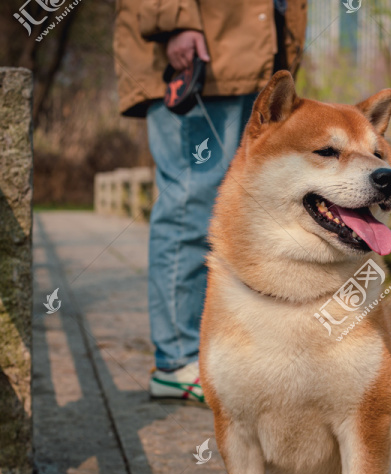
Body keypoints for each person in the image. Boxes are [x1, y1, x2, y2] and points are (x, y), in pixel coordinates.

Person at [113, 0, 308, 401]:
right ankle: (178, 361)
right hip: (201, 55)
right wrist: (173, 21)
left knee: (246, 210)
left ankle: (219, 354)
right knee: (191, 203)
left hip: (249, 56)